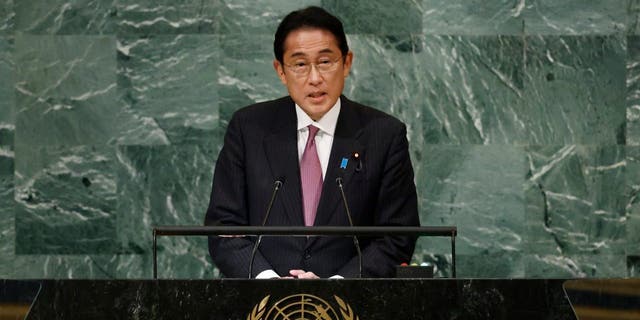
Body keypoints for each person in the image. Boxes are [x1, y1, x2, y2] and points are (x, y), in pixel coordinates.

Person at [204, 6, 419, 279]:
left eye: (326, 62)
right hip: (261, 306)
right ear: (281, 71)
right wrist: (268, 281)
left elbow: (398, 236)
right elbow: (224, 226)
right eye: (300, 64)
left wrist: (337, 286)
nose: (315, 78)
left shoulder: (384, 134)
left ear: (347, 62)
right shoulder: (249, 129)